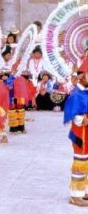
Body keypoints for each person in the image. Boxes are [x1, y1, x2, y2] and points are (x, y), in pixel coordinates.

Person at [64, 61, 88, 207]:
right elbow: (72, 113)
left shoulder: (85, 92)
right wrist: (83, 119)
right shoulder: (76, 94)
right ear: (83, 77)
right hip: (80, 134)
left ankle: (84, 190)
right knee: (80, 162)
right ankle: (75, 195)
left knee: (86, 162)